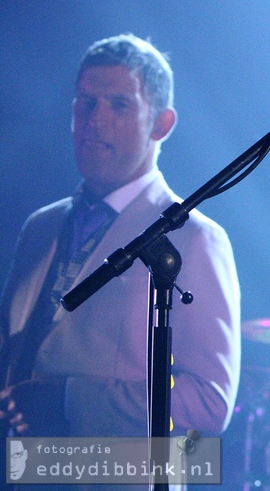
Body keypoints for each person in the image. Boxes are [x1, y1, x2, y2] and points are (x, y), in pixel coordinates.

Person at [0, 35, 241, 444]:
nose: (95, 119)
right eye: (85, 102)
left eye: (119, 104)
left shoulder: (196, 239)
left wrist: (67, 401)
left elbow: (210, 401)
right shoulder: (41, 225)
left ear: (161, 124)